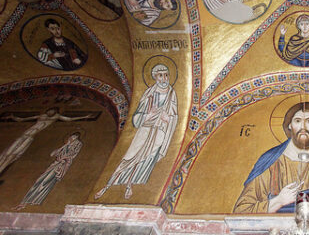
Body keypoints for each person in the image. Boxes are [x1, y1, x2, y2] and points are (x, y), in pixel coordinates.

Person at [95, 64, 178, 199]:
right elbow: (137, 117)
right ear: (155, 77)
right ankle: (108, 185)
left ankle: (130, 184)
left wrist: (167, 118)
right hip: (145, 128)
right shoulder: (149, 93)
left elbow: (174, 116)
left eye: (166, 75)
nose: (164, 78)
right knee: (131, 155)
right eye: (160, 75)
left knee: (147, 157)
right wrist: (149, 115)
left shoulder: (171, 93)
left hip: (160, 130)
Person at [0, 108, 91, 176]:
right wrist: (13, 117)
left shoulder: (56, 117)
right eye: (49, 110)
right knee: (6, 153)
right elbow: (22, 119)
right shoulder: (41, 116)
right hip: (22, 136)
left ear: (55, 112)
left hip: (30, 138)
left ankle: (1, 169)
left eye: (53, 111)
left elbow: (69, 119)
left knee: (14, 155)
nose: (50, 112)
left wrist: (84, 117)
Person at [15, 132, 83, 210]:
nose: (71, 138)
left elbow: (71, 156)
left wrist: (64, 157)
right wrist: (65, 145)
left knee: (45, 182)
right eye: (71, 137)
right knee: (39, 181)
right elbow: (52, 154)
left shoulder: (77, 145)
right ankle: (24, 202)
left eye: (74, 137)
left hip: (61, 167)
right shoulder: (66, 146)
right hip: (54, 164)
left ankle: (34, 201)